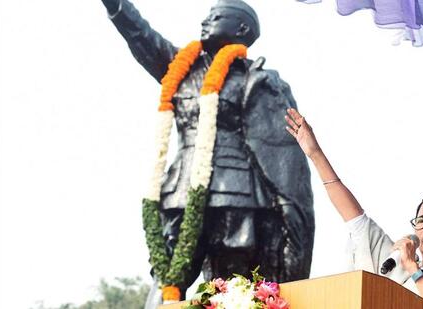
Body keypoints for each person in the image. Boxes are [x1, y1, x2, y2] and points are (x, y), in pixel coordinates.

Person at [100, 0, 314, 302]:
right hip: (181, 193)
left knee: (229, 288)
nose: (205, 20)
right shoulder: (179, 68)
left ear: (242, 28)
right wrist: (116, 5)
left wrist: (291, 225)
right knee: (166, 282)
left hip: (236, 198)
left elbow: (283, 158)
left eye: (216, 16)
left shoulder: (258, 79)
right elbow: (140, 35)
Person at [285, 108, 423, 309]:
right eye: (421, 221)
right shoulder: (397, 269)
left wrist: (415, 270)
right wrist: (315, 154)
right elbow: (356, 221)